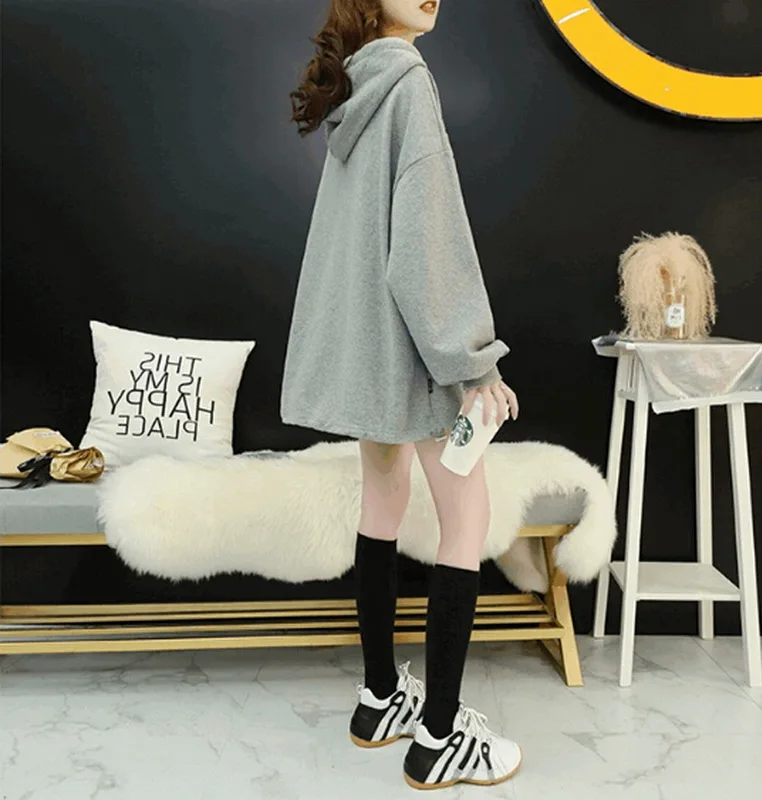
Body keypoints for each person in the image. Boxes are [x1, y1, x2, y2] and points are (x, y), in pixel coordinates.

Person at [283, 0, 521, 790]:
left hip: (367, 350)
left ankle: (380, 697)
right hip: (415, 350)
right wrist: (473, 365)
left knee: (381, 505)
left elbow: (348, 246)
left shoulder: (354, 89)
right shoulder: (408, 83)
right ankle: (441, 735)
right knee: (467, 518)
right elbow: (428, 244)